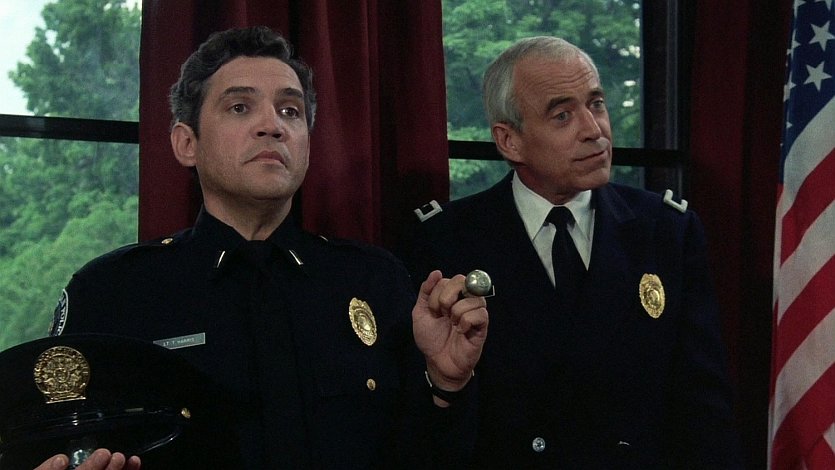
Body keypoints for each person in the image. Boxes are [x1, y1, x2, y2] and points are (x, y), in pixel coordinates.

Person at [33, 26, 487, 469]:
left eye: (290, 111)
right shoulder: (113, 292)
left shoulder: (374, 280)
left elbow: (429, 456)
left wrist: (446, 384)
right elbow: (52, 444)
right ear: (187, 143)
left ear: (307, 145)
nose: (272, 126)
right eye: (239, 107)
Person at [405, 36, 742, 468]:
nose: (594, 129)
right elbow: (419, 429)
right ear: (509, 141)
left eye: (596, 104)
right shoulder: (444, 241)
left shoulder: (666, 232)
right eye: (562, 115)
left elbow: (705, 415)